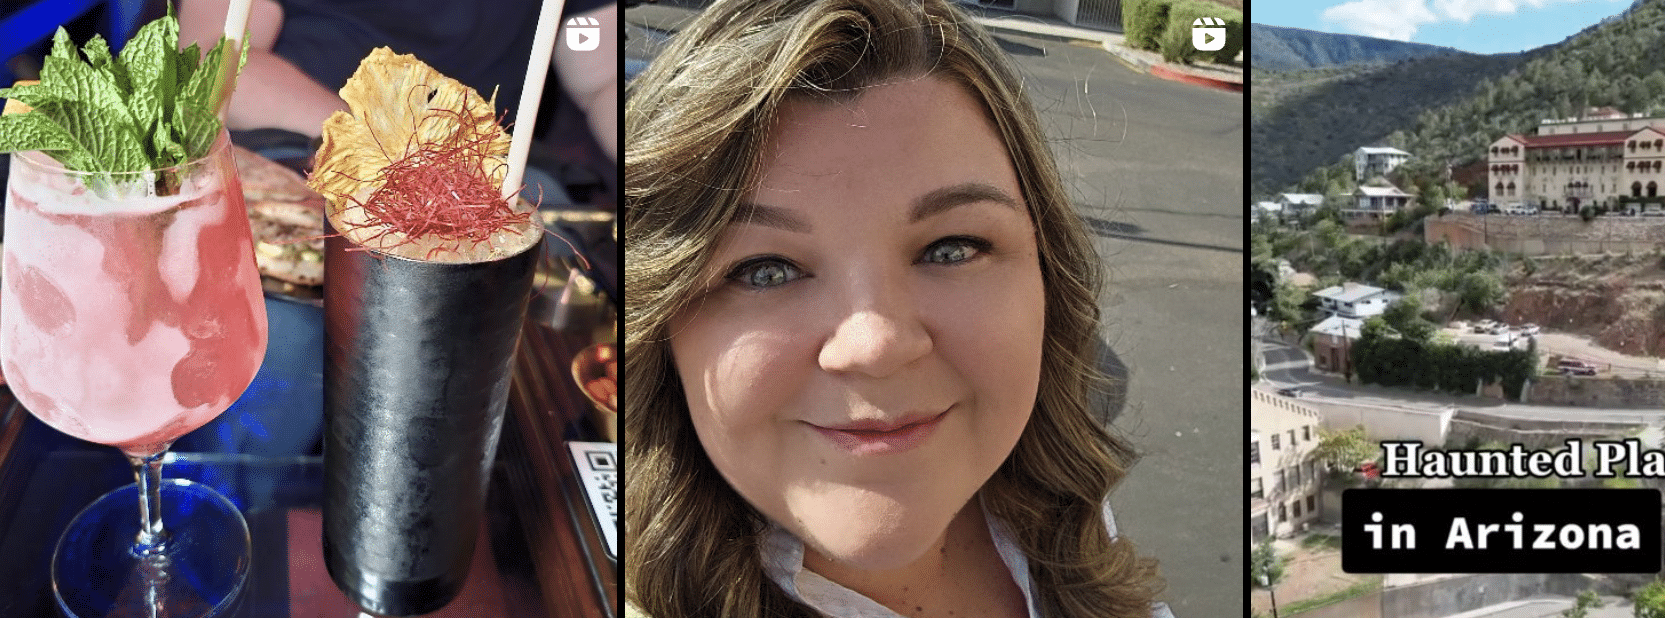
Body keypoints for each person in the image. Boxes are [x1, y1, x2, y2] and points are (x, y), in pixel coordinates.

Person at [624, 1, 1172, 616]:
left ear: (1048, 276)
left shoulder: (1061, 507)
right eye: (764, 270)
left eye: (951, 248)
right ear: (658, 326)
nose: (877, 345)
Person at [178, 0, 616, 206]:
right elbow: (215, 62)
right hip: (301, 164)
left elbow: (602, 71)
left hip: (485, 193)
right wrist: (411, 163)